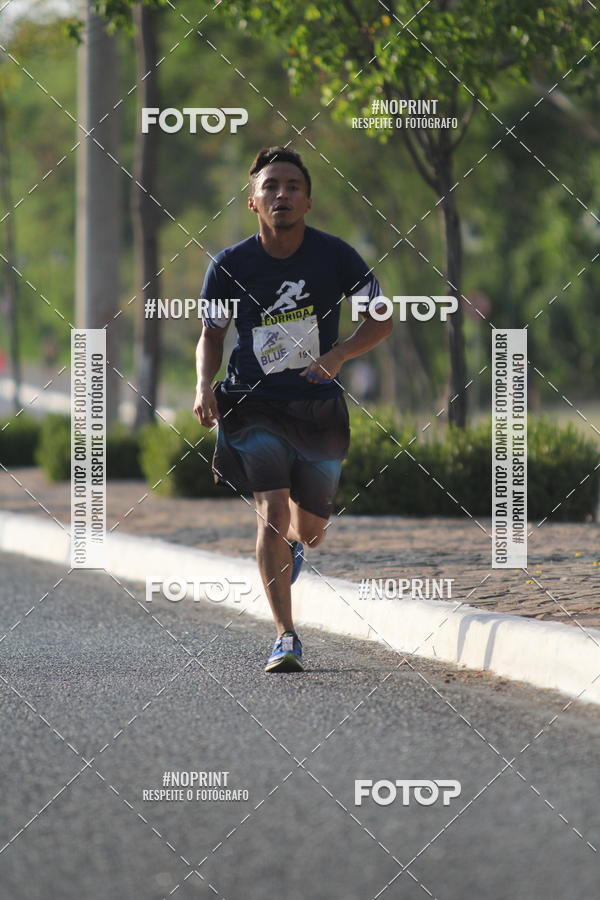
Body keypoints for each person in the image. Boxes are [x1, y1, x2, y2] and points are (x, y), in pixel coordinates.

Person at [193, 146, 392, 673]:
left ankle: (294, 547)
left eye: (292, 186)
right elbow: (211, 334)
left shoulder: (337, 257)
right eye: (271, 186)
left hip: (317, 406)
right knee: (272, 513)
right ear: (253, 202)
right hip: (252, 403)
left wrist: (339, 355)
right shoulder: (229, 266)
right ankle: (285, 636)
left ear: (307, 200)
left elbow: (381, 320)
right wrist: (204, 386)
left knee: (311, 530)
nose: (281, 194)